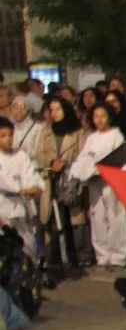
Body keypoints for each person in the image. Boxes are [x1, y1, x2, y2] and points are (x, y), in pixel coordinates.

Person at [72, 104, 126, 270]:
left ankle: (118, 257)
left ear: (109, 117)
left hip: (112, 180)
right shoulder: (91, 137)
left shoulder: (116, 135)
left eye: (103, 116)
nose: (99, 120)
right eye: (96, 116)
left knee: (115, 216)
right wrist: (81, 172)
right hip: (94, 181)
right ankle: (102, 257)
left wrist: (101, 168)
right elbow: (83, 158)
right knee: (97, 218)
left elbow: (118, 157)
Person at [35, 97, 87, 272]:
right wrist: (51, 162)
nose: (55, 113)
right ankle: (56, 257)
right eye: (52, 109)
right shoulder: (46, 130)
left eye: (58, 109)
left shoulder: (77, 131)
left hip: (70, 179)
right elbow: (39, 155)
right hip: (50, 178)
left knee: (72, 218)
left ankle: (76, 256)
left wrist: (65, 162)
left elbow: (82, 155)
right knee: (51, 219)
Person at [0, 116, 44, 258]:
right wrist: (19, 189)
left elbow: (31, 173)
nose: (8, 139)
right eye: (3, 136)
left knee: (27, 244)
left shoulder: (21, 155)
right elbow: (2, 180)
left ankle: (32, 272)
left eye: (10, 135)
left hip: (22, 205)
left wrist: (34, 186)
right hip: (3, 206)